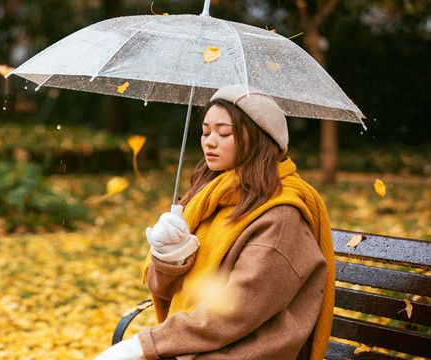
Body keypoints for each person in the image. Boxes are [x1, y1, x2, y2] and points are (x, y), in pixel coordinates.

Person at [95, 85, 335, 360]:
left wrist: (143, 345)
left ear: (258, 140)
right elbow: (164, 289)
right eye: (206, 131)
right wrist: (170, 257)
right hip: (200, 347)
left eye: (224, 133)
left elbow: (236, 310)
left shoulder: (280, 216)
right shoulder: (208, 198)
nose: (210, 141)